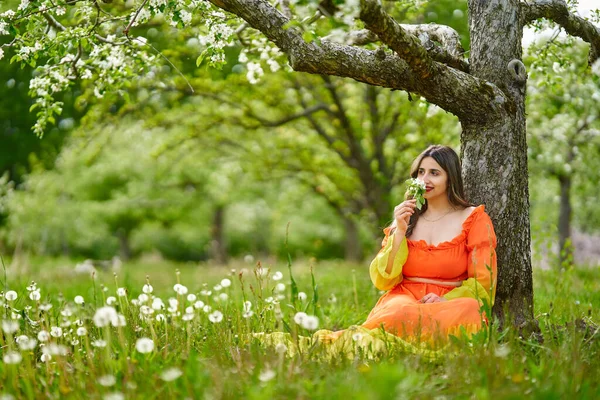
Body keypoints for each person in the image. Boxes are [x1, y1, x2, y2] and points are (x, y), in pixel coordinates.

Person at [256, 145, 497, 358]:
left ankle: (433, 347)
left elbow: (484, 281)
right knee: (401, 311)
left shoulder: (473, 218)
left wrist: (445, 298)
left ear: (450, 178)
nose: (425, 179)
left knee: (471, 309)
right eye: (420, 173)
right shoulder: (406, 217)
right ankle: (393, 348)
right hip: (406, 295)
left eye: (434, 173)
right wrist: (399, 231)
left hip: (449, 299)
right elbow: (385, 279)